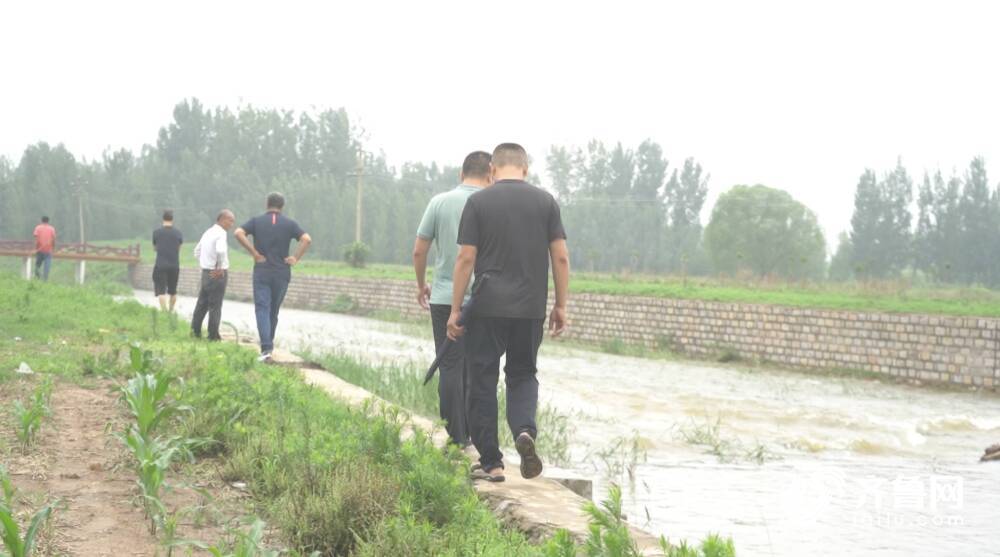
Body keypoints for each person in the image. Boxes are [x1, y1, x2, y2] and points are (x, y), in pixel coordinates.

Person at [448, 143, 570, 483]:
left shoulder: (478, 202)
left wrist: (456, 309)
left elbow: (465, 259)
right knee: (522, 373)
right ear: (526, 169)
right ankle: (524, 430)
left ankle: (492, 463)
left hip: (487, 306)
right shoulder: (546, 202)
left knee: (483, 379)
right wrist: (560, 305)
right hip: (530, 308)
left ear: (492, 171)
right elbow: (560, 256)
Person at [413, 151, 492, 447]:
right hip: (485, 300)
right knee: (477, 366)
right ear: (491, 174)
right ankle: (474, 435)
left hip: (445, 297)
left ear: (461, 173)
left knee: (450, 366)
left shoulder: (439, 202)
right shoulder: (490, 205)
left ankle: (457, 436)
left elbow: (419, 250)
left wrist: (422, 285)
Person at [234, 192, 312, 362]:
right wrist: (295, 258)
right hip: (282, 272)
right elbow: (306, 239)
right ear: (282, 206)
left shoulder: (256, 221)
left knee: (262, 308)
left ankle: (266, 349)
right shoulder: (290, 224)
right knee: (273, 310)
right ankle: (269, 346)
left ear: (266, 204)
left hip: (262, 270)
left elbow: (238, 233)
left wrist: (254, 253)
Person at [191, 210, 235, 341]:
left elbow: (196, 251)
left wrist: (205, 265)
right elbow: (221, 251)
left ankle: (195, 332)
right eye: (230, 220)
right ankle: (213, 336)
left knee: (202, 304)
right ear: (221, 219)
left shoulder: (208, 232)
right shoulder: (221, 233)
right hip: (217, 274)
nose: (232, 224)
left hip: (206, 273)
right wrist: (219, 267)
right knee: (215, 306)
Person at [152, 210, 183, 312]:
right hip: (174, 265)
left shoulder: (156, 233)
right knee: (173, 291)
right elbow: (179, 248)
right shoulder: (178, 233)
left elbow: (155, 248)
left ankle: (164, 312)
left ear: (163, 219)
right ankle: (170, 311)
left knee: (161, 291)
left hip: (161, 265)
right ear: (172, 219)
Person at [33, 216, 56, 281]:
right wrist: (53, 248)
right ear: (48, 221)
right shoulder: (52, 229)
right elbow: (53, 240)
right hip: (48, 251)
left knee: (37, 266)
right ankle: (45, 280)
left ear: (41, 220)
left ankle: (37, 278)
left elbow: (36, 240)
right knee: (47, 267)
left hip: (39, 250)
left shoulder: (37, 228)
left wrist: (36, 248)